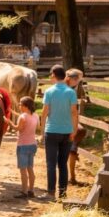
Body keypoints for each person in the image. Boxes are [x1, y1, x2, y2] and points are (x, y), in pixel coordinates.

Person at [41, 65, 79, 200]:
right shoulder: (71, 92)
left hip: (51, 131)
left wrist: (41, 132)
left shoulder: (49, 91)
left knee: (51, 163)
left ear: (53, 75)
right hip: (67, 132)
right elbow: (74, 113)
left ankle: (51, 193)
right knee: (62, 164)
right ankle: (62, 193)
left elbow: (45, 113)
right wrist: (74, 131)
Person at [7, 96, 39, 198]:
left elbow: (17, 129)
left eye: (20, 104)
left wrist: (8, 122)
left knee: (23, 170)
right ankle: (31, 190)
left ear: (25, 106)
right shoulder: (35, 116)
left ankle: (24, 191)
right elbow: (35, 126)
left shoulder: (22, 117)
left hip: (23, 145)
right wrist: (12, 111)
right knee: (30, 168)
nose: (19, 105)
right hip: (32, 144)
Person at [65, 68, 88, 186]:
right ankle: (71, 177)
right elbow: (72, 112)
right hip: (68, 123)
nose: (80, 83)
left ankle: (70, 177)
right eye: (79, 80)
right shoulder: (71, 92)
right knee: (73, 148)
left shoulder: (59, 89)